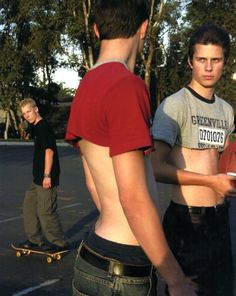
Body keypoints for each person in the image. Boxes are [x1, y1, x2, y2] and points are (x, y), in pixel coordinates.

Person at [66, 1, 196, 295]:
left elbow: (93, 181)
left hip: (94, 256)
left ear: (97, 29)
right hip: (122, 272)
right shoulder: (126, 86)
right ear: (144, 28)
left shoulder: (86, 86)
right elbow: (134, 197)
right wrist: (175, 280)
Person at [151, 23, 236, 296]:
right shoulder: (175, 105)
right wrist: (211, 182)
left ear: (225, 62)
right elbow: (156, 167)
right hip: (187, 220)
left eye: (216, 60)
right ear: (190, 61)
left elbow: (222, 161)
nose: (208, 67)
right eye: (202, 60)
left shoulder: (226, 110)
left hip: (220, 219)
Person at [17, 98, 68, 252]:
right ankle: (34, 239)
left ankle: (59, 243)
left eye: (29, 111)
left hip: (46, 177)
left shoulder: (43, 127)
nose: (27, 115)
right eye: (24, 114)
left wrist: (47, 176)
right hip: (37, 178)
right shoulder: (35, 127)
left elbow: (49, 151)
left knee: (46, 211)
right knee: (29, 207)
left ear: (36, 109)